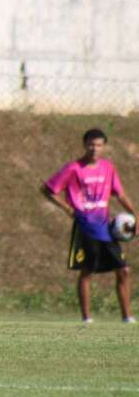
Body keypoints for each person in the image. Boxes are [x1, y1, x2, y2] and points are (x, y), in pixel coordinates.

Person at [44, 128, 136, 324]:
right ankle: (87, 319)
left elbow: (119, 194)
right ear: (84, 145)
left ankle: (127, 317)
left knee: (124, 270)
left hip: (106, 228)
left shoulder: (108, 168)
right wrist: (67, 208)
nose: (94, 148)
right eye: (91, 144)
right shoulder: (73, 168)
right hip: (85, 227)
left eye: (99, 145)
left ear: (104, 147)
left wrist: (135, 215)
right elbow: (48, 190)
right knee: (87, 271)